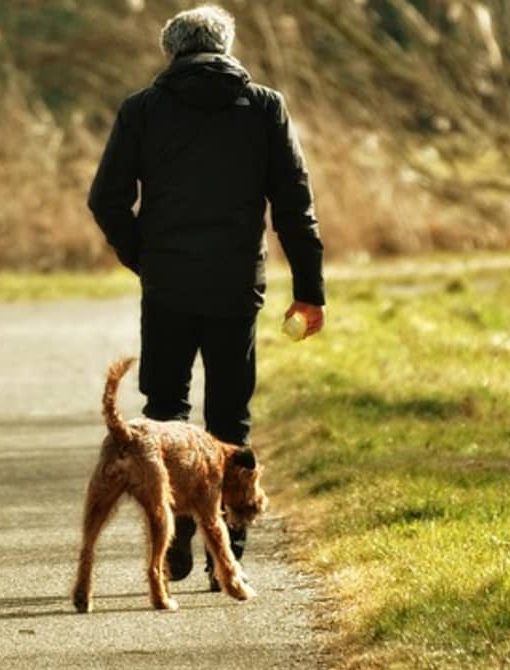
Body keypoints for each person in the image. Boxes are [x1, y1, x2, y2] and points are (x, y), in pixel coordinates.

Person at [87, 5, 326, 588]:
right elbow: (294, 204)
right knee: (229, 416)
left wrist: (143, 256)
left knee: (165, 410)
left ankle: (176, 540)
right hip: (235, 284)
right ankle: (231, 545)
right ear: (227, 46)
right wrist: (309, 291)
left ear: (172, 52)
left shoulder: (142, 110)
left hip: (167, 285)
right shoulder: (264, 107)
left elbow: (107, 199)